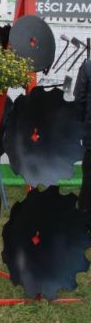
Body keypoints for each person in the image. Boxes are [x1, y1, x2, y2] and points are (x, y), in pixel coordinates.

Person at [74, 58, 91, 211]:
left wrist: (81, 127)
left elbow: (79, 100)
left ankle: (84, 218)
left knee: (89, 181)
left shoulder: (87, 67)